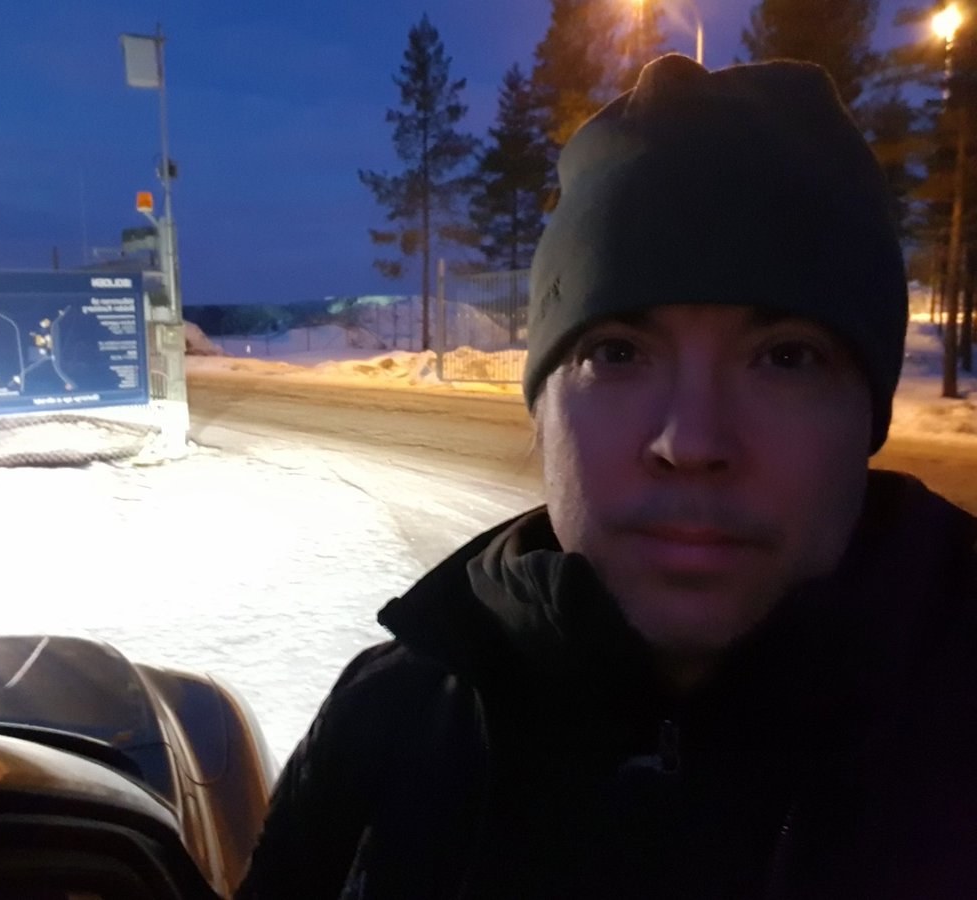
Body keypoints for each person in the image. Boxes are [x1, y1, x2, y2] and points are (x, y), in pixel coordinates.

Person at [236, 54, 977, 898]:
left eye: (786, 357)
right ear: (541, 408)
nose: (691, 442)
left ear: (868, 417)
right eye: (618, 353)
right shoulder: (391, 721)